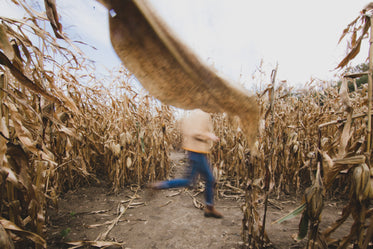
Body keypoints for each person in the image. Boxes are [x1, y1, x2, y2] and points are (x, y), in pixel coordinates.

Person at [150, 109, 223, 218]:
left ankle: (159, 185)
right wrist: (209, 135)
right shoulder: (201, 114)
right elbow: (195, 132)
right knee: (206, 179)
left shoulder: (193, 113)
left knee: (194, 180)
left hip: (194, 151)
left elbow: (186, 129)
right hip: (198, 152)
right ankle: (209, 207)